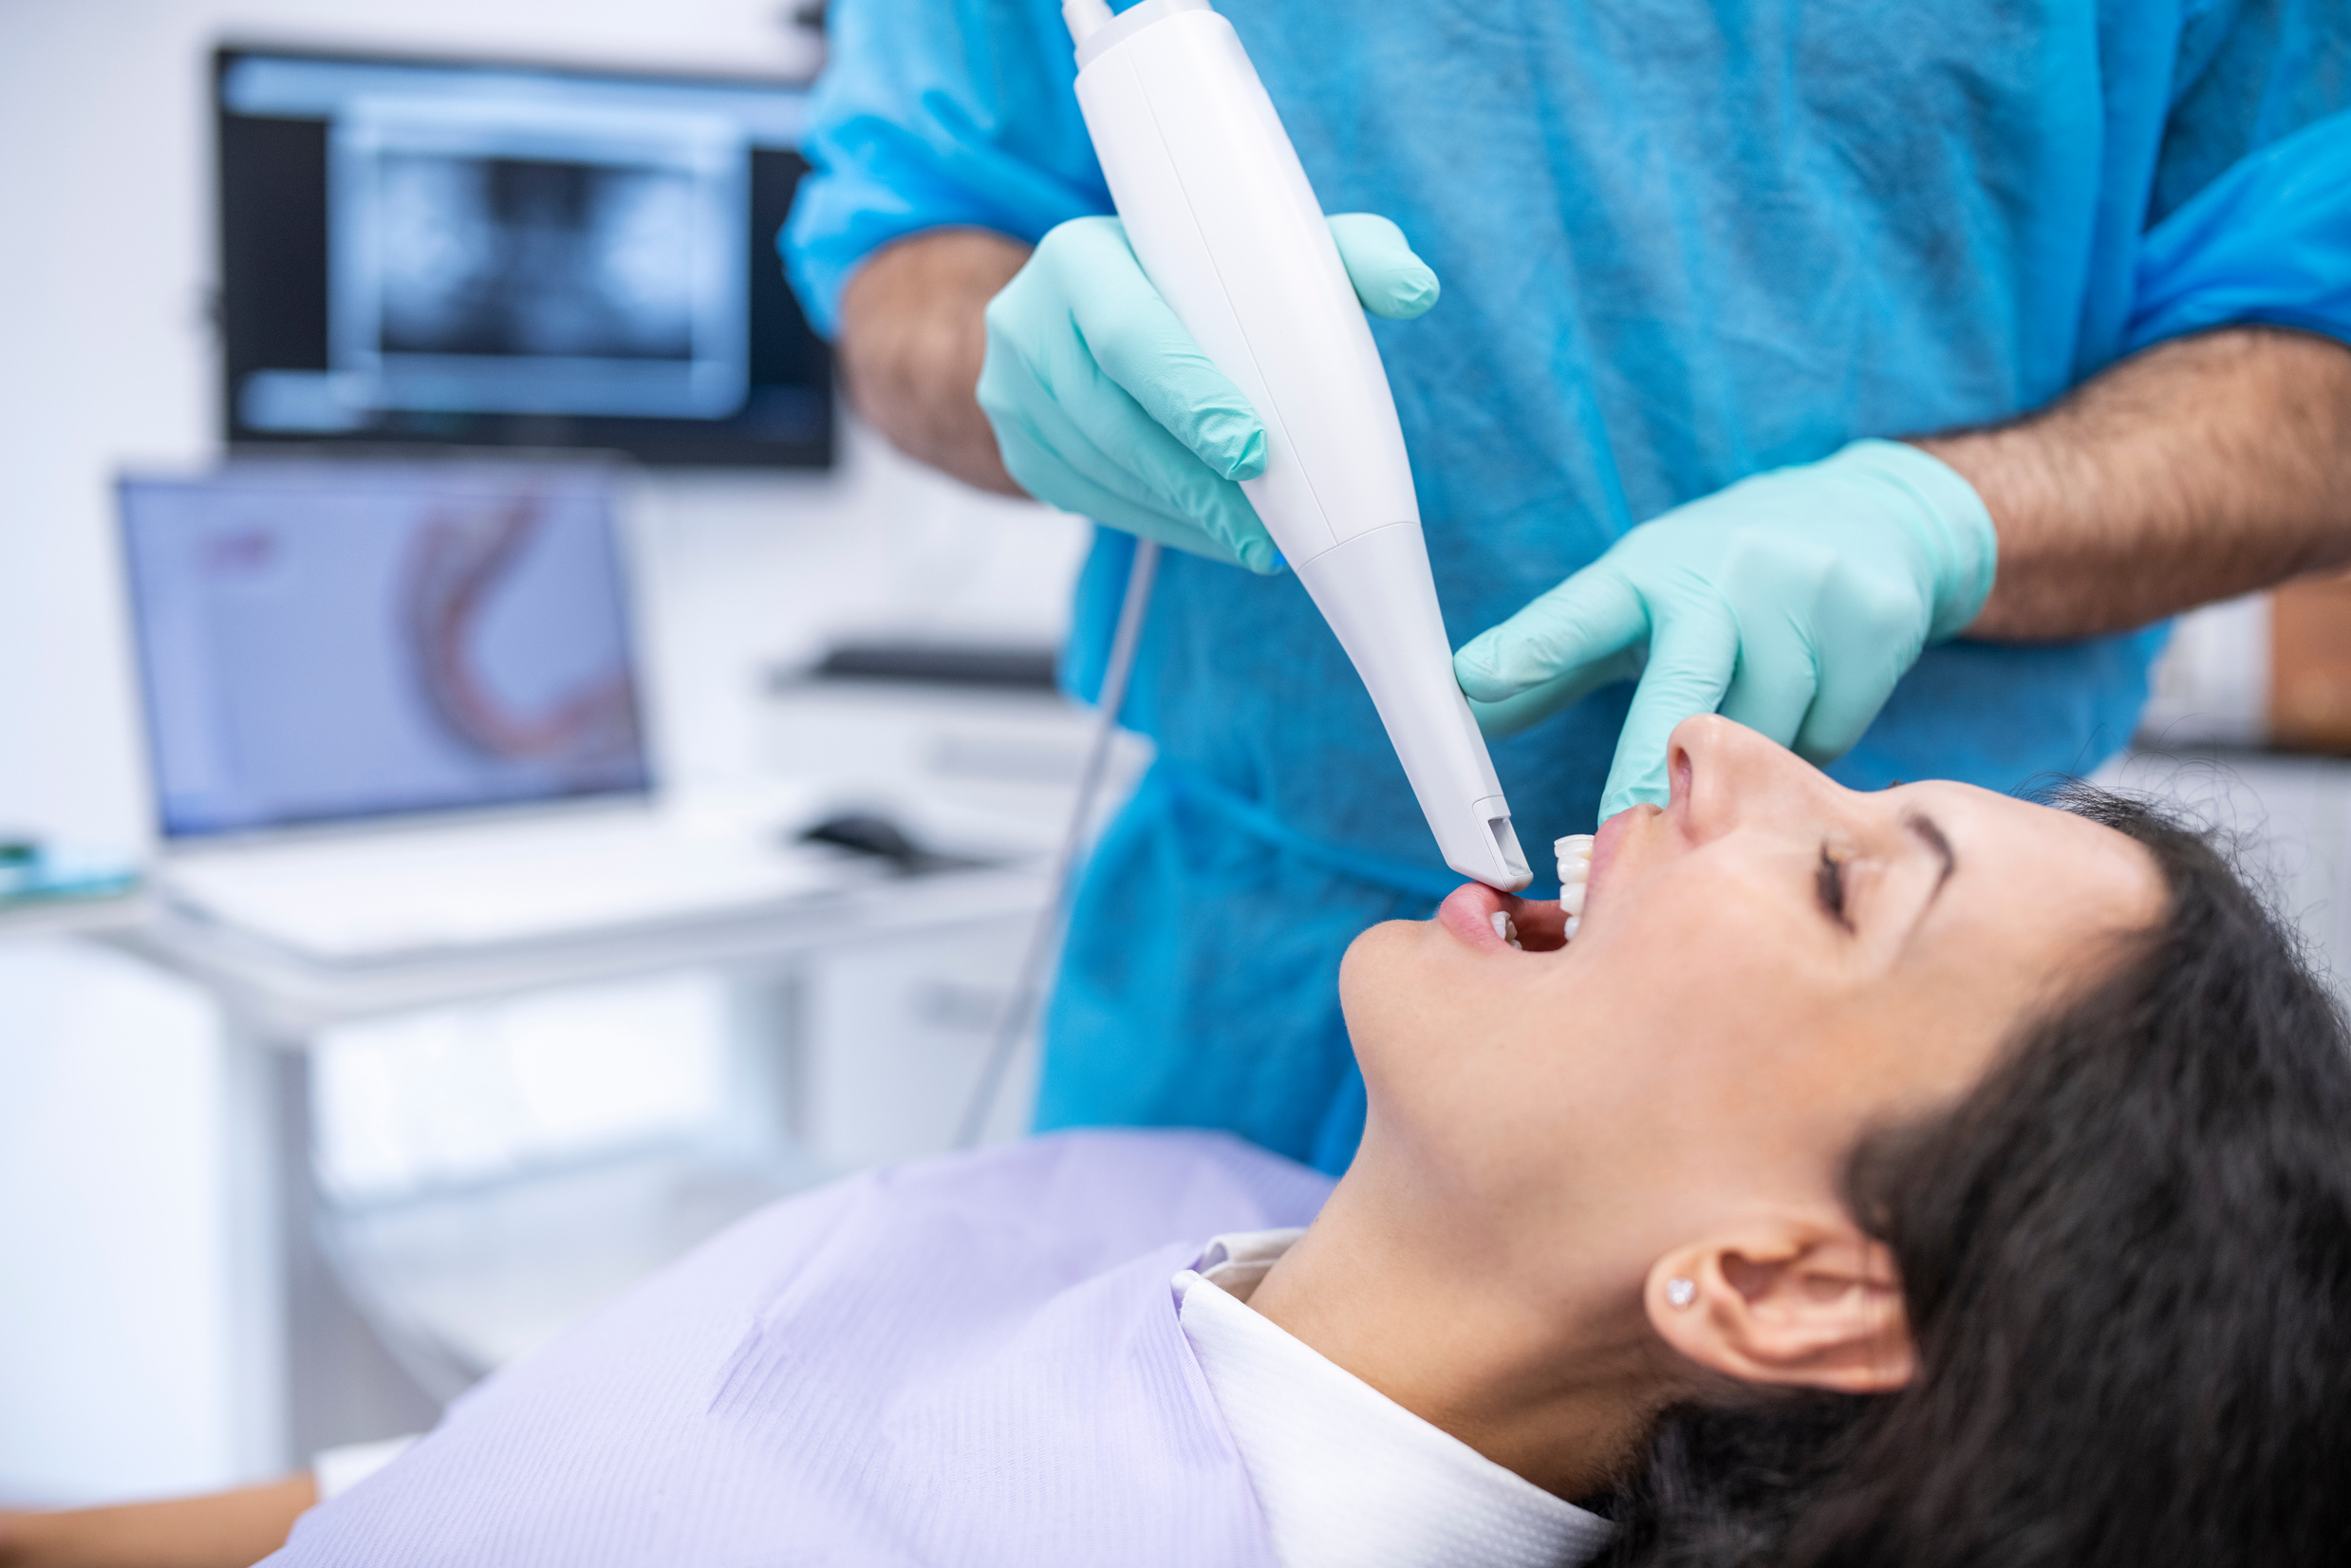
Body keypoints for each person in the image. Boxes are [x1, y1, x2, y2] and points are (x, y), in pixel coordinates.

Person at [12, 718, 2347, 1566]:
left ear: (1780, 1283)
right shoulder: (1140, 1202)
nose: (1723, 741)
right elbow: (453, 1491)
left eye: (1847, 876)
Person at [788, 0, 2351, 1171]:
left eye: (1846, 879)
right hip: (1236, 968)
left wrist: (1943, 518)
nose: (1706, 772)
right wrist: (1022, 353)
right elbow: (908, 245)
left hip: (1859, 1082)